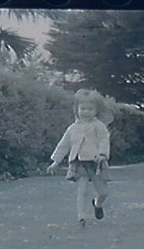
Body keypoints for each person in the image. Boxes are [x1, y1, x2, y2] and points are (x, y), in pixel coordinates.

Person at [47, 89, 114, 227]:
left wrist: (102, 154)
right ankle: (81, 216)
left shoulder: (99, 126)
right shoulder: (72, 128)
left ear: (96, 110)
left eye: (90, 109)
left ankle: (97, 204)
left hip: (96, 163)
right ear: (76, 109)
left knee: (103, 192)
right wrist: (56, 161)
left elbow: (103, 141)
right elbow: (64, 145)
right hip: (79, 162)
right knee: (82, 191)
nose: (86, 112)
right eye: (82, 108)